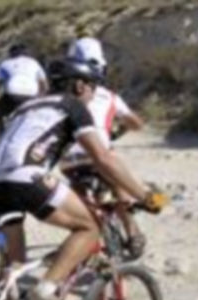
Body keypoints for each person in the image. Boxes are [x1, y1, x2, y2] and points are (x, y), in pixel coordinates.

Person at [0, 59, 166, 300]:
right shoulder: (73, 105)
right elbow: (103, 157)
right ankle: (47, 289)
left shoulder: (29, 106)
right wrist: (147, 196)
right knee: (90, 226)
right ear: (80, 85)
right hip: (25, 176)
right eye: (93, 87)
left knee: (13, 268)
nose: (94, 94)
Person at [59, 63, 147, 257]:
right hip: (97, 156)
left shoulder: (60, 98)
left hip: (68, 162)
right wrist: (116, 132)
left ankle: (84, 246)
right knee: (117, 180)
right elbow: (136, 123)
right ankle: (133, 233)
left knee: (82, 206)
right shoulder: (109, 96)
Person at [0, 43, 48, 137]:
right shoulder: (34, 63)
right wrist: (41, 96)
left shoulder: (5, 63)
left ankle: (1, 137)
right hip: (31, 94)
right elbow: (43, 83)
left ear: (11, 54)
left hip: (12, 94)